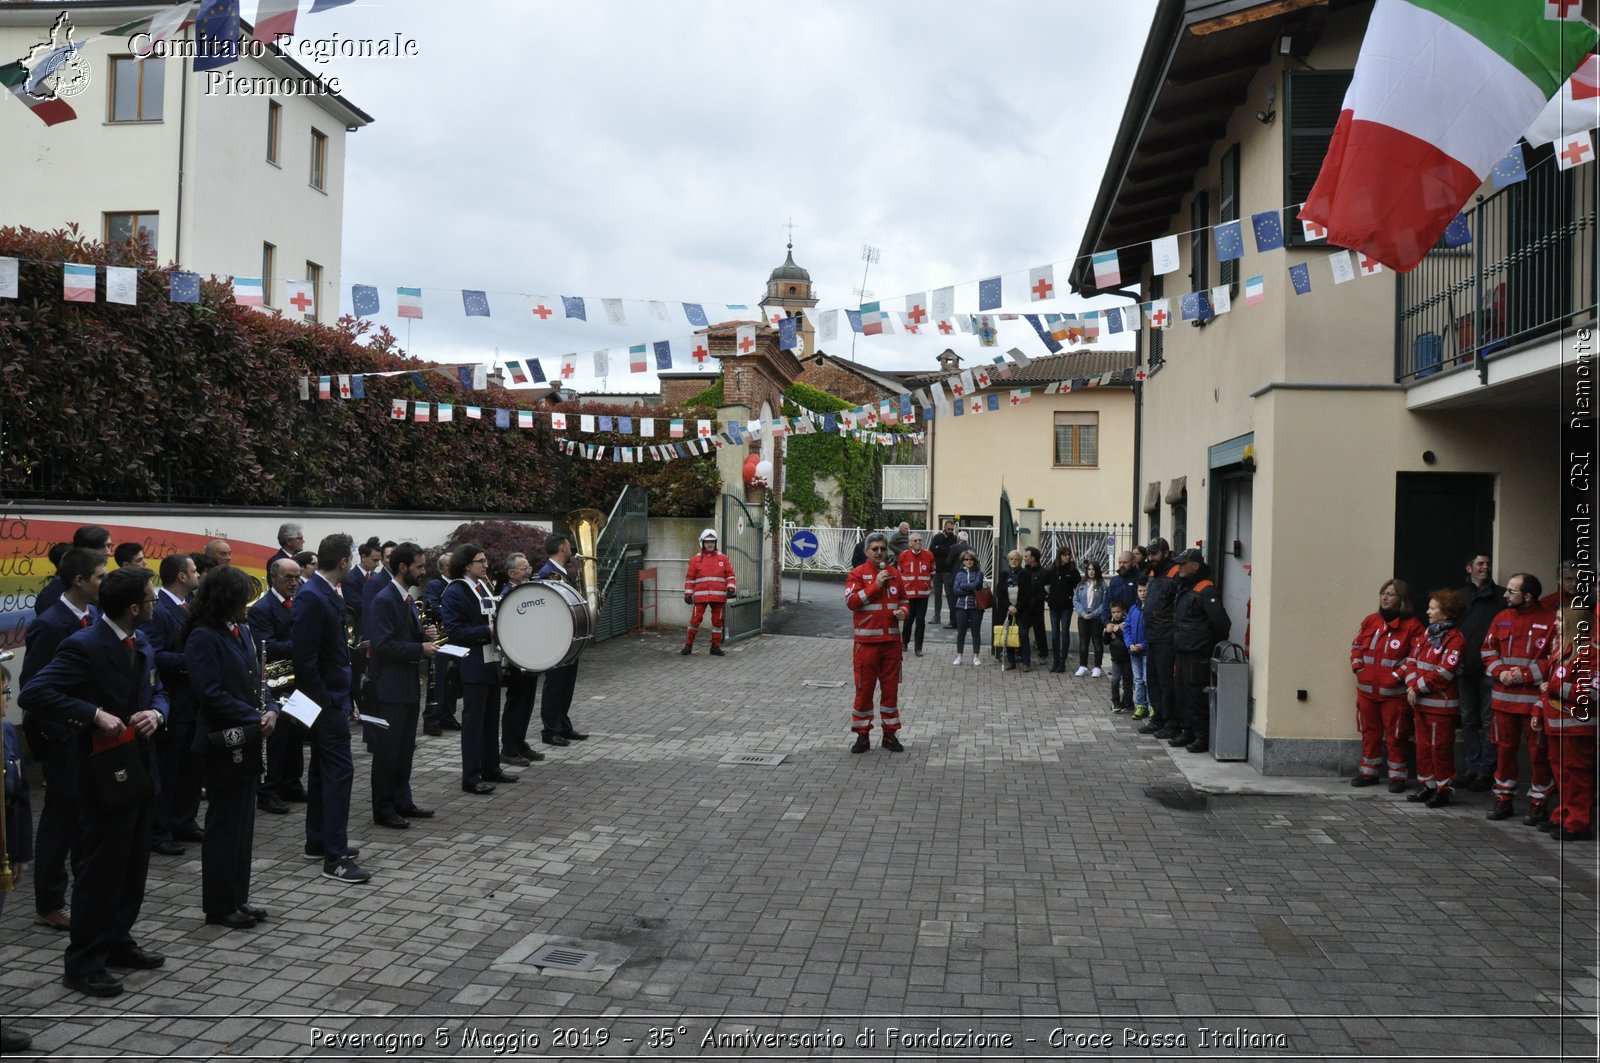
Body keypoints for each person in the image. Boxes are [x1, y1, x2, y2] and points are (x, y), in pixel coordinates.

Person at [22, 566, 169, 998]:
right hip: (101, 774)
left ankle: (117, 941)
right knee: (100, 870)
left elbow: (158, 691)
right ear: (132, 607)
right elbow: (34, 692)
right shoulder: (84, 644)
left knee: (132, 866)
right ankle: (84, 962)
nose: (155, 604)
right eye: (150, 598)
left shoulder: (139, 641)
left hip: (139, 768)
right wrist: (92, 714)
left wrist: (157, 713)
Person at [182, 566, 277, 929]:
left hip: (249, 735)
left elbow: (258, 680)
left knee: (243, 826)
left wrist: (271, 708)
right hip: (224, 741)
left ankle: (238, 895)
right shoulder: (203, 637)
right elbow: (210, 693)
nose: (247, 605)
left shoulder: (242, 631)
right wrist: (254, 715)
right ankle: (219, 904)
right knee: (224, 827)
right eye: (241, 598)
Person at [19, 547, 104, 932]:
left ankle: (85, 889)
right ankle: (49, 900)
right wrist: (61, 734)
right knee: (60, 818)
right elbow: (33, 688)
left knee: (85, 818)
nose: (105, 582)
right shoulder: (51, 624)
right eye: (99, 576)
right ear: (79, 581)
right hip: (65, 736)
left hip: (91, 735)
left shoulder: (95, 616)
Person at [291, 533, 370, 883]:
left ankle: (319, 841)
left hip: (334, 697)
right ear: (342, 562)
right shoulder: (313, 595)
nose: (352, 564)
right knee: (339, 774)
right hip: (325, 703)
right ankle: (335, 858)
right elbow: (304, 659)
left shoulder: (326, 592)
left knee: (325, 771)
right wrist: (326, 701)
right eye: (350, 558)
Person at [366, 543, 440, 828]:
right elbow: (382, 646)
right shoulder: (385, 599)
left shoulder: (406, 598)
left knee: (405, 748)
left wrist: (423, 633)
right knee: (388, 751)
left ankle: (402, 800)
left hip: (407, 686)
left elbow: (402, 635)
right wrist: (419, 649)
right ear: (402, 567)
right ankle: (383, 808)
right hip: (390, 687)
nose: (423, 572)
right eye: (419, 567)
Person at [1482, 573, 1557, 823]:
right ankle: (1503, 801)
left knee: (1539, 754)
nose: (1505, 595)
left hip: (1534, 703)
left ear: (1528, 596)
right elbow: (1487, 650)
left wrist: (1525, 675)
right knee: (1504, 752)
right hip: (1503, 702)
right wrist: (1501, 672)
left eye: (1511, 591)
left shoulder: (1549, 620)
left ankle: (1539, 804)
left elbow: (1555, 660)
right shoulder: (1501, 617)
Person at [443, 544, 515, 795]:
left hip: (490, 662)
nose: (485, 565)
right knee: (474, 723)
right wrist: (488, 631)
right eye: (480, 561)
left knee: (490, 720)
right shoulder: (456, 591)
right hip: (473, 664)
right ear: (466, 565)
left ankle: (491, 767)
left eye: (485, 560)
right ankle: (471, 777)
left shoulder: (482, 585)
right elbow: (454, 631)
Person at [145, 553, 204, 856]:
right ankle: (161, 829)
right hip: (174, 702)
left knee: (191, 767)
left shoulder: (190, 605)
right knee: (169, 768)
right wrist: (191, 662)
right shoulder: (159, 610)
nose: (198, 575)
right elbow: (154, 654)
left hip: (193, 703)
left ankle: (185, 819)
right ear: (181, 576)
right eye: (194, 571)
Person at [1349, 579, 1426, 792]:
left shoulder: (1413, 627)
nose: (1385, 597)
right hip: (1366, 692)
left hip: (1394, 694)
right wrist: (1358, 667)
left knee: (1397, 735)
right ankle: (1369, 773)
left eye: (1391, 594)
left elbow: (1415, 657)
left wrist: (1396, 675)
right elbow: (1356, 646)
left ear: (1402, 600)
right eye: (1383, 593)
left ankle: (1397, 777)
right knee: (1369, 732)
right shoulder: (1370, 621)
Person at [1397, 589, 1466, 807]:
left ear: (1445, 612)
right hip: (1420, 703)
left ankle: (1444, 789)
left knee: (1440, 748)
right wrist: (1411, 685)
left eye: (1433, 608)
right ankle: (1428, 785)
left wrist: (1415, 687)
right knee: (1424, 747)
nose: (1427, 611)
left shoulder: (1456, 639)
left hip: (1440, 707)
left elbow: (1445, 673)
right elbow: (1411, 660)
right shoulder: (1428, 633)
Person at [248, 556, 303, 814]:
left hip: (298, 680)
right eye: (288, 578)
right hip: (276, 681)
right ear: (273, 578)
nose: (294, 583)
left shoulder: (301, 602)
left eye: (297, 577)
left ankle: (291, 782)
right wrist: (304, 647)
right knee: (277, 737)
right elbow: (265, 646)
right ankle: (268, 790)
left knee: (295, 733)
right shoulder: (262, 608)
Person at [1537, 606, 1597, 841]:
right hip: (1557, 724)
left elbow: (1590, 691)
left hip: (1577, 727)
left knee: (1577, 776)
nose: (1557, 624)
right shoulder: (1562, 651)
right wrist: (1537, 711)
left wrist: (1553, 688)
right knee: (1562, 775)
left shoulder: (1589, 653)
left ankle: (1578, 823)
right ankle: (1563, 815)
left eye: (1561, 620)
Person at [846, 532, 908, 752]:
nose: (880, 552)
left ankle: (890, 735)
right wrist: (875, 586)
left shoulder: (895, 574)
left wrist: (903, 611)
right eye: (875, 549)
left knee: (890, 691)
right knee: (864, 692)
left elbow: (903, 599)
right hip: (867, 646)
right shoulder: (857, 574)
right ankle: (862, 736)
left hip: (891, 644)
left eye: (883, 548)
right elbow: (851, 602)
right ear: (866, 552)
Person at [1, 667, 36, 1050]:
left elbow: (21, 796)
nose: (7, 701)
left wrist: (22, 851)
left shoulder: (7, 732)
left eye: (7, 692)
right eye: (3, 693)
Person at [1168, 549, 1230, 753]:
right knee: (1182, 693)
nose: (1179, 568)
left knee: (1196, 695)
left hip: (1196, 653)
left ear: (1195, 566)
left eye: (1183, 564)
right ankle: (1188, 731)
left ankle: (1202, 736)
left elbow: (1221, 624)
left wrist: (1206, 645)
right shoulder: (1186, 587)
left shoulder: (1206, 590)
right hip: (1182, 650)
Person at [1455, 553, 1503, 792]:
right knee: (1468, 721)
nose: (1485, 567)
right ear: (1469, 567)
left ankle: (1486, 771)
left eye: (1488, 564)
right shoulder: (1459, 597)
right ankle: (1471, 768)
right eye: (1480, 564)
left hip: (1490, 670)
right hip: (1464, 668)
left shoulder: (1500, 597)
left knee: (1488, 721)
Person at [537, 534, 589, 747]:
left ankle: (562, 724)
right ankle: (550, 729)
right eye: (568, 545)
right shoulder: (548, 573)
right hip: (557, 637)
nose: (571, 548)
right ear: (561, 548)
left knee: (566, 684)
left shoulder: (562, 572)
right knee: (555, 685)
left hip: (569, 636)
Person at [497, 553, 544, 767]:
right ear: (511, 573)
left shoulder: (527, 590)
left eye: (529, 566)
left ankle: (520, 742)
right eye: (523, 567)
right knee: (516, 702)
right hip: (516, 657)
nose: (529, 570)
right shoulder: (507, 595)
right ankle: (509, 748)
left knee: (527, 702)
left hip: (530, 653)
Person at [1141, 539, 1183, 740]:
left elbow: (1178, 606)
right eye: (1149, 554)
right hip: (1152, 635)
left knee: (1166, 682)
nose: (1151, 558)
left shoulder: (1176, 574)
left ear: (1165, 553)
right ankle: (1157, 718)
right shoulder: (1153, 573)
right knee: (1153, 680)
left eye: (1154, 554)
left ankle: (1171, 722)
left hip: (1166, 636)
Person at [422, 547, 463, 737]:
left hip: (455, 637)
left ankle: (448, 715)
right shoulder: (434, 585)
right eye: (450, 565)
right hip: (440, 637)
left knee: (452, 677)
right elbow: (433, 607)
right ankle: (432, 718)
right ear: (442, 569)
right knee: (437, 680)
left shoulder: (459, 584)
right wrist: (455, 614)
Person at [36, 525, 111, 619]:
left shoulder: (93, 599)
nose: (109, 552)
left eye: (109, 546)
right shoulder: (52, 595)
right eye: (104, 546)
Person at [682, 529, 736, 656]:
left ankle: (715, 647)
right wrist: (688, 594)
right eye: (708, 542)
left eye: (712, 542)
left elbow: (730, 576)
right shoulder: (695, 560)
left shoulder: (724, 558)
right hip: (701, 597)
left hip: (719, 596)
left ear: (716, 543)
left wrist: (731, 588)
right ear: (702, 543)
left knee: (718, 623)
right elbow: (690, 578)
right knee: (695, 621)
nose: (710, 544)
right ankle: (688, 646)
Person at [898, 532, 935, 657]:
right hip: (908, 595)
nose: (918, 542)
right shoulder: (903, 555)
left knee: (921, 621)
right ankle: (904, 643)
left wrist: (928, 586)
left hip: (923, 595)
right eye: (915, 540)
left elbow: (932, 572)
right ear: (910, 543)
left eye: (920, 540)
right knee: (908, 621)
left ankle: (918, 648)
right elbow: (899, 573)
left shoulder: (929, 555)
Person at [1044, 545, 1080, 673]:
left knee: (1064, 633)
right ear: (1060, 555)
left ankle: (1063, 662)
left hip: (1067, 606)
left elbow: (1079, 587)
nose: (1067, 557)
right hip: (1054, 605)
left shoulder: (1073, 570)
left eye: (1069, 554)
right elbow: (1044, 585)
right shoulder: (1051, 569)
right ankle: (1055, 661)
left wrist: (1073, 600)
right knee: (1055, 634)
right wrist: (1048, 598)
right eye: (1065, 554)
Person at [994, 549, 1031, 670]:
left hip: (1021, 609)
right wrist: (1009, 606)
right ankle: (1011, 661)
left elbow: (1027, 594)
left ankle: (1026, 662)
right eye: (1011, 559)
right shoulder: (1004, 574)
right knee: (1008, 634)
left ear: (1020, 561)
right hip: (1007, 609)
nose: (1013, 561)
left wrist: (1017, 607)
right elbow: (999, 592)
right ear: (1008, 561)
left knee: (1023, 634)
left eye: (1016, 559)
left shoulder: (1025, 574)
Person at [1072, 560, 1109, 678]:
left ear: (1097, 571)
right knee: (1083, 642)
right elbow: (1075, 600)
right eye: (1089, 569)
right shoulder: (1081, 585)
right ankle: (1083, 666)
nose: (1091, 572)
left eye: (1093, 569)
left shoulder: (1103, 585)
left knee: (1097, 642)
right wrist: (1083, 613)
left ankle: (1097, 667)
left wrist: (1093, 614)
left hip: (1096, 618)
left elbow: (1105, 603)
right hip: (1083, 617)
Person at [952, 550, 986, 666]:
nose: (969, 561)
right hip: (961, 607)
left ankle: (976, 656)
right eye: (966, 559)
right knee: (961, 632)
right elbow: (955, 591)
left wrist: (963, 586)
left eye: (971, 559)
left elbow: (976, 585)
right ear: (963, 561)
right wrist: (969, 591)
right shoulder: (959, 574)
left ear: (974, 560)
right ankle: (959, 656)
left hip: (976, 607)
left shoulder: (979, 573)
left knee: (975, 632)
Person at [1127, 581, 1151, 719]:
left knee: (1147, 679)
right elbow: (1128, 628)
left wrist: (1143, 645)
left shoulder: (1151, 609)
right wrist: (1129, 644)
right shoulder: (1133, 609)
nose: (1143, 594)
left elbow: (1153, 631)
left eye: (1145, 590)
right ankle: (1141, 705)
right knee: (1138, 679)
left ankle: (1151, 705)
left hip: (1146, 651)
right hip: (1134, 651)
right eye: (1140, 591)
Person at [929, 519, 959, 627]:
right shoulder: (937, 537)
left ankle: (952, 618)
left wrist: (940, 548)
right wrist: (945, 549)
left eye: (952, 529)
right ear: (944, 527)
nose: (950, 531)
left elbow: (952, 551)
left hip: (948, 571)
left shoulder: (955, 539)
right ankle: (936, 616)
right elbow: (932, 549)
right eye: (949, 529)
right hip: (937, 570)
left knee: (949, 595)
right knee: (937, 594)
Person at [1104, 600, 1133, 713]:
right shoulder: (1110, 624)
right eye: (1113, 612)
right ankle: (1115, 702)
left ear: (1123, 612)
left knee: (1127, 681)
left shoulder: (1126, 624)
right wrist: (1107, 632)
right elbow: (1106, 642)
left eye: (1118, 612)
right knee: (1115, 680)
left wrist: (1118, 631)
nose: (1116, 614)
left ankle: (1128, 702)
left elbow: (1127, 640)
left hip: (1127, 658)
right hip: (1115, 659)